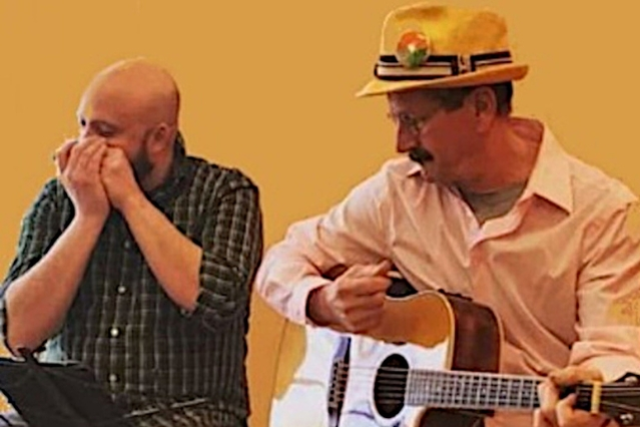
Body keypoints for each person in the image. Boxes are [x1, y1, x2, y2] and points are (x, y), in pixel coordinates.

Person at [255, 4, 640, 427]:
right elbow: (280, 262)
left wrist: (595, 399)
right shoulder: (397, 194)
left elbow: (615, 352)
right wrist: (323, 302)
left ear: (481, 108)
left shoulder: (602, 211)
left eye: (414, 121)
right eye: (396, 120)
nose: (402, 143)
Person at [0, 58, 263, 427]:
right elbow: (18, 334)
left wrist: (131, 201)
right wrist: (87, 218)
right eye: (82, 126)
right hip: (67, 414)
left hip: (187, 412)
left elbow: (218, 301)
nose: (85, 145)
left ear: (159, 139)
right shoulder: (60, 198)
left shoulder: (225, 193)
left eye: (105, 132)